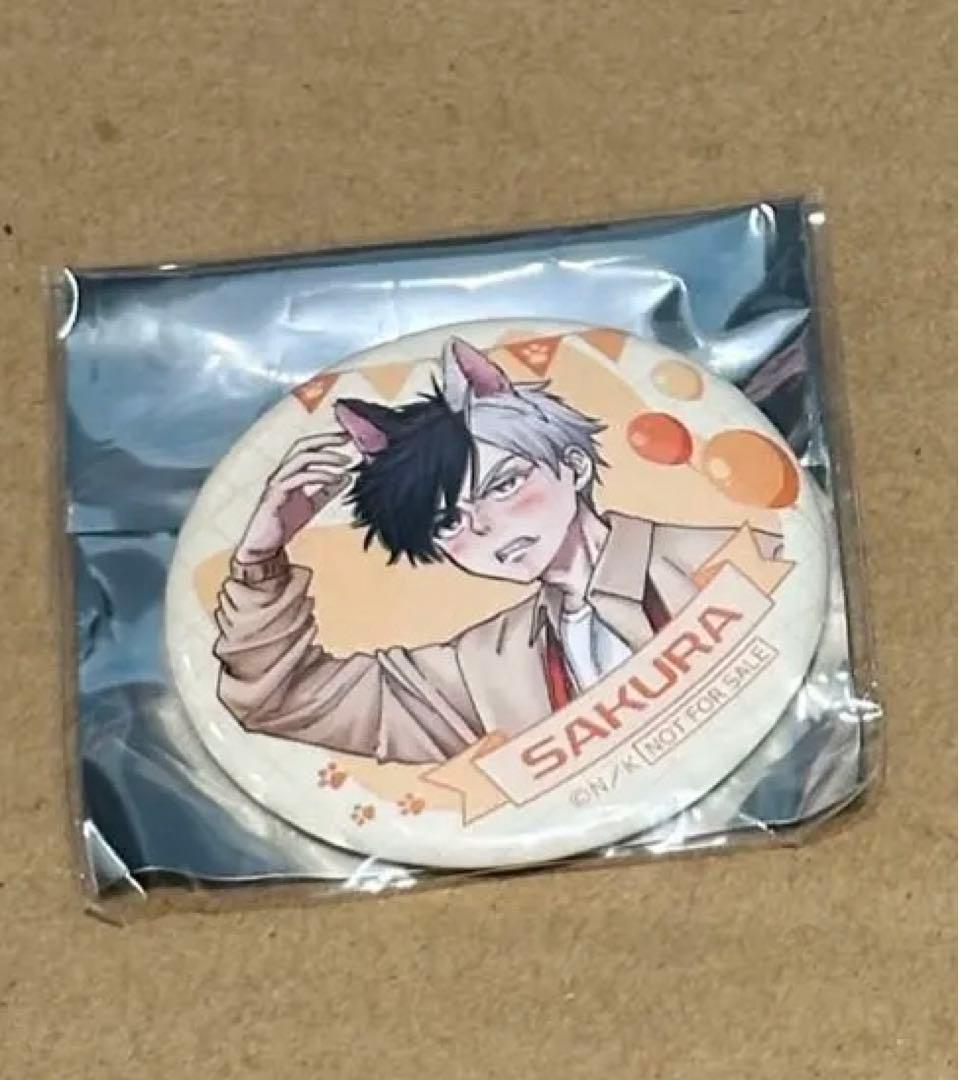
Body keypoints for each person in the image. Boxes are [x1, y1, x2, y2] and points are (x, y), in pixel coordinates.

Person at [213, 336, 780, 764]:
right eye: (449, 522)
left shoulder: (721, 559)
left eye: (504, 484)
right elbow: (284, 700)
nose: (485, 528)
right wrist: (260, 560)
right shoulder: (484, 665)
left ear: (573, 465)